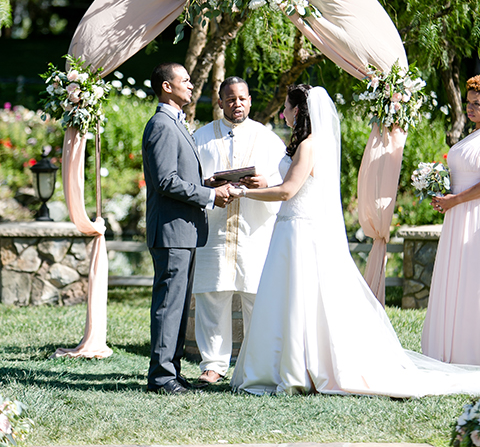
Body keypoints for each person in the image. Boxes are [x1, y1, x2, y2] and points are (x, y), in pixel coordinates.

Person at [229, 84, 480, 397]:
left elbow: (287, 192)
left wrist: (242, 192)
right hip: (289, 228)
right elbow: (290, 184)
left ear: (299, 110)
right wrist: (261, 183)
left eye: (287, 106)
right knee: (289, 300)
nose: (283, 112)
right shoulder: (304, 145)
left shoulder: (308, 145)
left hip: (299, 230)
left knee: (298, 299)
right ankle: (287, 365)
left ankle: (297, 369)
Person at [142, 62, 231, 395]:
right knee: (169, 305)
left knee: (177, 305)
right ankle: (161, 377)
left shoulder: (175, 123)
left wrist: (207, 182)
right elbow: (165, 181)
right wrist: (210, 195)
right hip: (171, 231)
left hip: (183, 231)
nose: (192, 85)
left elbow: (178, 177)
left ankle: (172, 372)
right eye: (186, 81)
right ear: (167, 87)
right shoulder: (162, 125)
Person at [192, 76, 286, 383]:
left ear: (250, 100)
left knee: (256, 296)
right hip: (215, 228)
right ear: (219, 102)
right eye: (230, 99)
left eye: (242, 98)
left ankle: (256, 363)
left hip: (254, 230)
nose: (237, 104)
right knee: (212, 296)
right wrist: (209, 186)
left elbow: (283, 183)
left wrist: (264, 184)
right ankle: (213, 365)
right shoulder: (200, 138)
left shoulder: (268, 139)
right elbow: (190, 181)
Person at [422, 75, 480, 365]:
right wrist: (442, 193)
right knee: (455, 277)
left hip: (473, 217)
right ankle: (449, 345)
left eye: (477, 104)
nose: (470, 109)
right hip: (457, 215)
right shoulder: (471, 136)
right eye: (469, 103)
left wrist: (454, 200)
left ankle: (470, 349)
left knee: (472, 278)